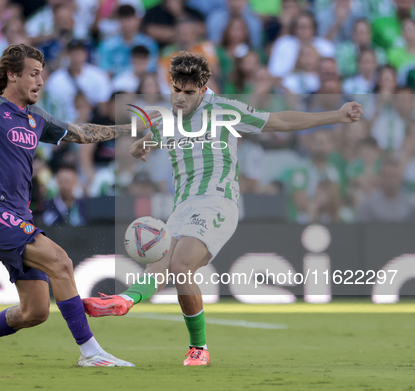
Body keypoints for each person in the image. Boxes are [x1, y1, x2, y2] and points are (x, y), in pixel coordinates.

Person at [82, 51, 363, 366]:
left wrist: (335, 116)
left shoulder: (225, 110)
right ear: (170, 84)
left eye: (190, 93)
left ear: (203, 90)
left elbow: (280, 121)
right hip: (182, 207)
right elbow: (154, 136)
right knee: (160, 265)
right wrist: (141, 145)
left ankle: (199, 349)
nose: (182, 98)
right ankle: (124, 300)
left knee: (180, 266)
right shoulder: (165, 119)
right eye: (177, 90)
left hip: (218, 201)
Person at [0, 42, 154, 367]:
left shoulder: (36, 117)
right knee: (61, 263)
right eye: (33, 74)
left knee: (35, 312)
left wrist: (130, 128)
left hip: (18, 216)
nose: (40, 81)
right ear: (12, 75)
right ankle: (90, 352)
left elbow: (79, 132)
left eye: (42, 75)